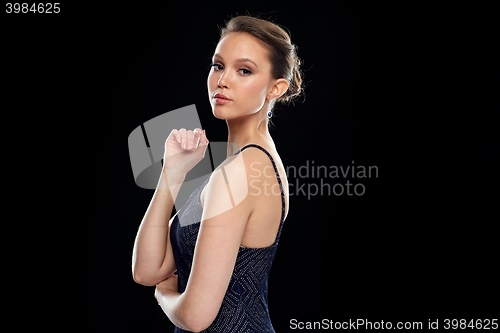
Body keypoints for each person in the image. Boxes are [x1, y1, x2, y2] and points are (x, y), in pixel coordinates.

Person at [132, 15, 305, 332]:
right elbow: (147, 269)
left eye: (244, 70)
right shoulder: (237, 165)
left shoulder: (244, 170)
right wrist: (172, 175)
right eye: (217, 65)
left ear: (276, 88)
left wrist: (167, 295)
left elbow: (195, 317)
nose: (223, 80)